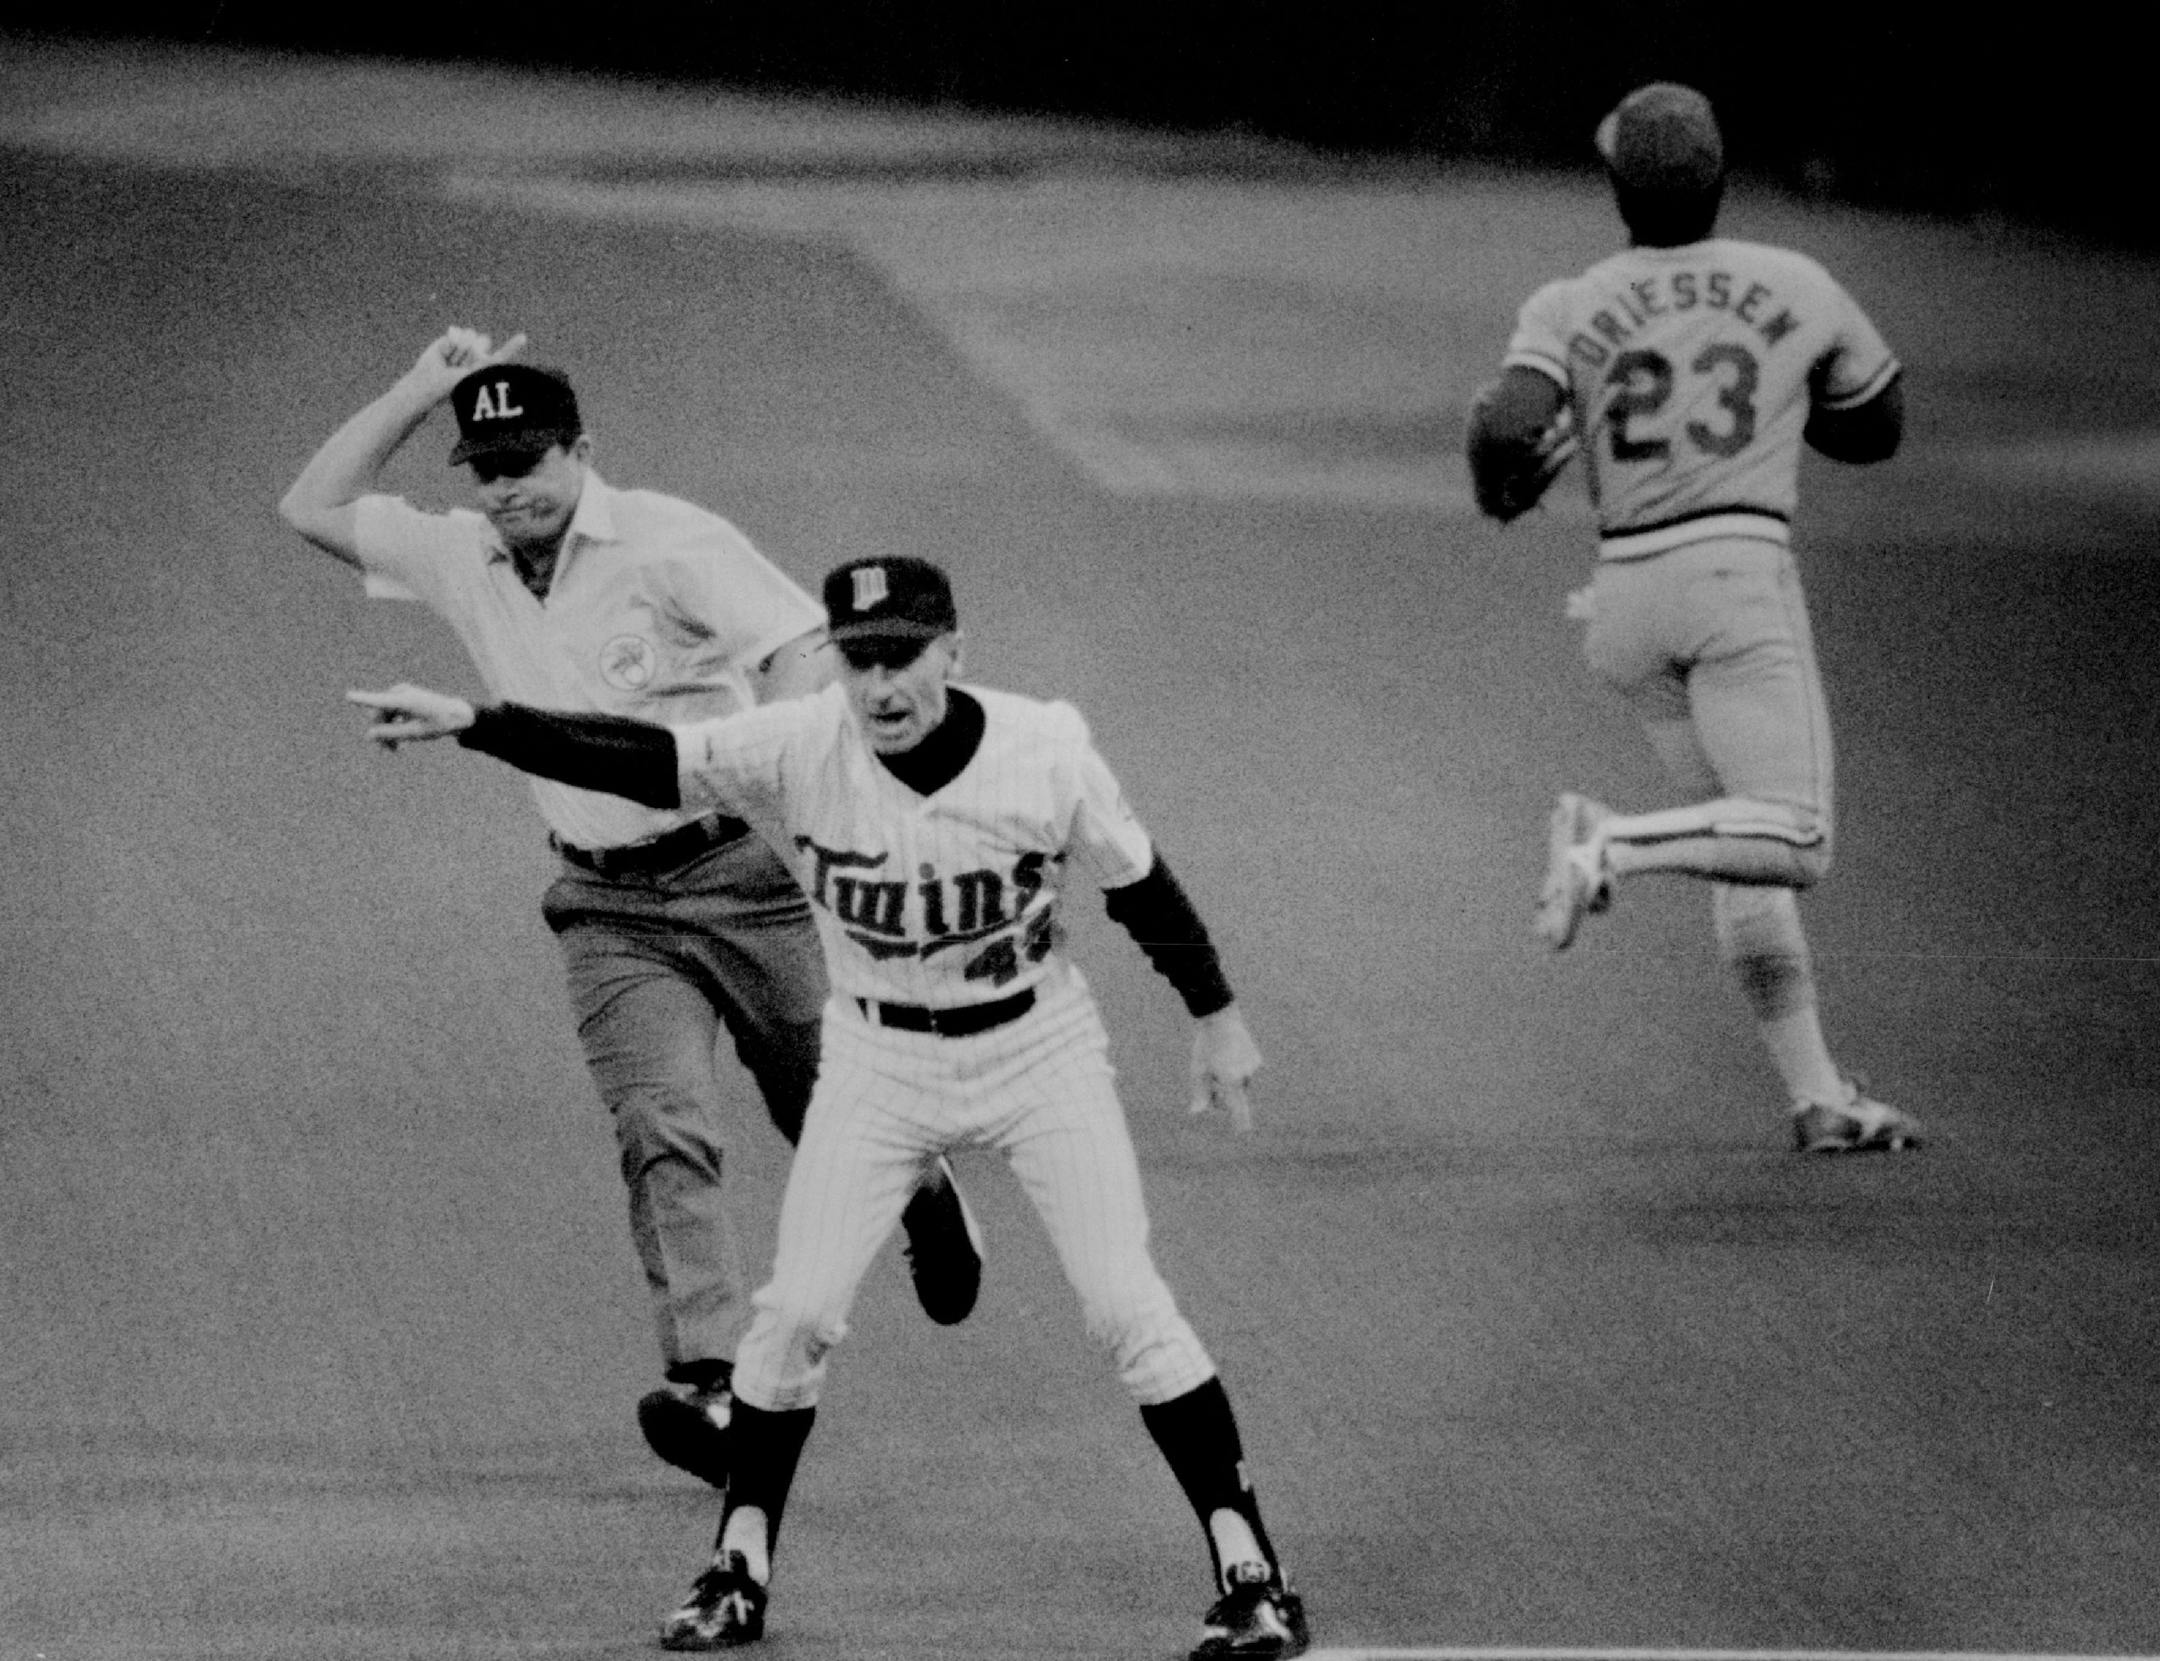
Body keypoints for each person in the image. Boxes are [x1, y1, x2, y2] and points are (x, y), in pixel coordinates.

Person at [347, 554, 1311, 1660]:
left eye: (902, 655)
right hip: (878, 1060)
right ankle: (736, 1567)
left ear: (955, 649)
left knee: (1126, 1302)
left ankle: (1254, 1572)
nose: (881, 684)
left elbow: (1137, 879)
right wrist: (479, 720)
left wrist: (1216, 1010)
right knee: (793, 1312)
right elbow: (644, 753)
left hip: (1037, 1047)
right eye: (858, 659)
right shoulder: (802, 742)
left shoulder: (1044, 745)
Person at [278, 331, 986, 1490]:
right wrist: (418, 385)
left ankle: (922, 1188)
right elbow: (310, 502)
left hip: (742, 874)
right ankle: (710, 1383)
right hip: (608, 903)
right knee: (664, 1127)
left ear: (580, 452)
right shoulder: (465, 555)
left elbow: (802, 646)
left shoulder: (668, 540)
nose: (509, 486)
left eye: (530, 459)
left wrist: (805, 754)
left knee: (824, 1099)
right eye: (487, 465)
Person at [1464, 83, 1924, 1156]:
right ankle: (1609, 837)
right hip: (1735, 583)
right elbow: (1878, 426)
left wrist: (1506, 470)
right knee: (1795, 835)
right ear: (1720, 177)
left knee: (1736, 836)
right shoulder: (1797, 281)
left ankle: (1820, 1096)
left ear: (1616, 187)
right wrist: (1781, 398)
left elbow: (1509, 428)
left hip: (1623, 602)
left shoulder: (1570, 299)